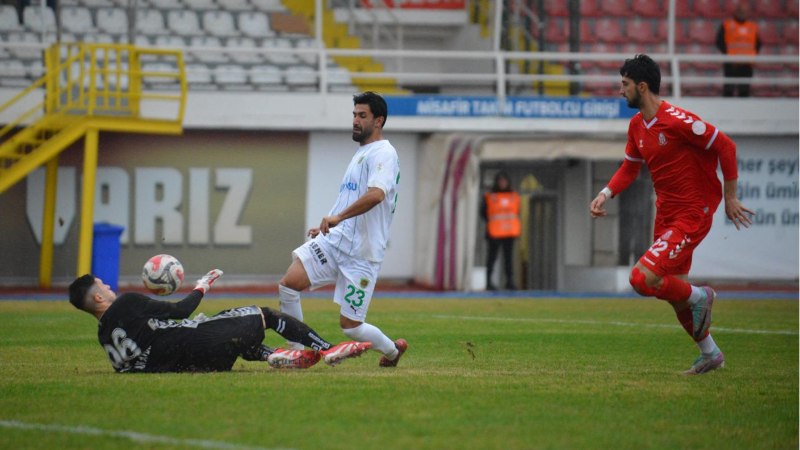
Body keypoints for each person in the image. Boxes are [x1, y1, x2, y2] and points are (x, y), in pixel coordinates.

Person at [589, 54, 754, 375]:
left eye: (624, 84)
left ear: (642, 86)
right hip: (665, 213)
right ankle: (711, 354)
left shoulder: (678, 121)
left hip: (693, 212)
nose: (620, 90)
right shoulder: (637, 125)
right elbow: (629, 167)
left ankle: (701, 296)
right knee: (672, 292)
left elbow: (726, 147)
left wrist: (731, 196)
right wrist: (605, 193)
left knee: (641, 279)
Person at [277, 92, 407, 368]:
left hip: (363, 253)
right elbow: (350, 197)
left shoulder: (384, 153)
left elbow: (376, 195)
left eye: (362, 116)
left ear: (379, 121)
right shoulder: (362, 153)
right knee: (289, 284)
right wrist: (328, 224)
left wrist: (338, 217)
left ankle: (393, 352)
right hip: (335, 242)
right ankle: (298, 353)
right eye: (354, 115)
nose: (355, 121)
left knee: (351, 327)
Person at [68, 270, 371, 373]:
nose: (109, 287)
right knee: (264, 314)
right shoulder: (126, 303)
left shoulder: (104, 337)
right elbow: (181, 311)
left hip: (187, 365)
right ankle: (328, 348)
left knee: (232, 332)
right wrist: (202, 285)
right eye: (103, 286)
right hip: (191, 342)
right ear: (97, 298)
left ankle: (273, 354)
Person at [480, 171, 521, 291]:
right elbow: (483, 213)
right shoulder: (490, 196)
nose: (502, 183)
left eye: (504, 181)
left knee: (509, 259)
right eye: (500, 181)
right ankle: (488, 282)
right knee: (492, 258)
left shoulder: (514, 196)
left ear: (508, 183)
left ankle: (509, 281)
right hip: (494, 233)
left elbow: (516, 212)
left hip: (509, 232)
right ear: (496, 183)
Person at [716, 3, 761, 97]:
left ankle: (744, 110)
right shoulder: (727, 25)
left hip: (747, 63)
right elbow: (719, 41)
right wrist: (728, 53)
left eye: (744, 11)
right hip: (731, 63)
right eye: (740, 11)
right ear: (736, 12)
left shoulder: (752, 27)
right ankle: (727, 110)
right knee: (729, 89)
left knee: (744, 90)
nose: (742, 13)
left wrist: (751, 54)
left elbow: (758, 43)